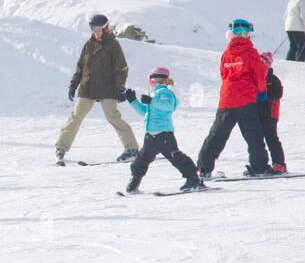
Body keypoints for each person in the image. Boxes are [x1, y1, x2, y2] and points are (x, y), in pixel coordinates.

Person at [54, 14, 139, 164]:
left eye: (98, 28)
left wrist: (120, 88)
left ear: (106, 28)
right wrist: (74, 84)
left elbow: (122, 69)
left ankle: (131, 148)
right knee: (75, 117)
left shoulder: (113, 45)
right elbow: (80, 66)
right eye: (93, 28)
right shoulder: (89, 44)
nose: (96, 31)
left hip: (107, 88)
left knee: (113, 117)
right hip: (87, 87)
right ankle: (61, 147)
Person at [195, 19, 274, 179]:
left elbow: (224, 75)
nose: (250, 36)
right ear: (244, 33)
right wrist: (261, 91)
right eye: (248, 33)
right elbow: (260, 74)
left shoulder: (226, 53)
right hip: (245, 99)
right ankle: (259, 167)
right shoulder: (251, 52)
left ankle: (203, 167)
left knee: (217, 133)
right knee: (253, 134)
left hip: (227, 99)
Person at [122, 67, 203, 194]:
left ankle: (193, 179)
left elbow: (168, 107)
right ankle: (134, 181)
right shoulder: (154, 93)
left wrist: (152, 101)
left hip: (164, 134)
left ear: (160, 80)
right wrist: (133, 101)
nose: (151, 82)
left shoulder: (165, 92)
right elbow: (145, 112)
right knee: (141, 159)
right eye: (150, 79)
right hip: (151, 134)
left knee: (175, 157)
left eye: (153, 79)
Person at [257, 51, 286, 172]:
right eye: (262, 62)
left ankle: (279, 163)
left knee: (271, 138)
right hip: (257, 112)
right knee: (257, 139)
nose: (264, 65)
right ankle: (259, 164)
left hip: (270, 113)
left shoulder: (273, 79)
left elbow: (278, 94)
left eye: (267, 63)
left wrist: (265, 96)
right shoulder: (255, 77)